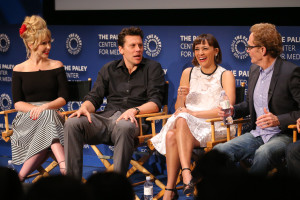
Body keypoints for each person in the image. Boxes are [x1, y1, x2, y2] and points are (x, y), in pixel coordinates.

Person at [64, 26, 165, 179]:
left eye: (140, 45)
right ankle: (73, 185)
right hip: (106, 119)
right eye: (133, 46)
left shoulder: (153, 68)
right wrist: (84, 107)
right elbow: (94, 97)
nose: (138, 49)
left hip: (134, 121)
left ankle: (117, 188)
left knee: (124, 125)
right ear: (121, 49)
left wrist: (134, 110)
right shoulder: (109, 69)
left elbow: (155, 103)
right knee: (72, 124)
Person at [150, 33, 236, 199]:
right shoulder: (188, 73)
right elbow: (179, 108)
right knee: (172, 133)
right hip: (187, 126)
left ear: (216, 51)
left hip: (214, 125)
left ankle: (177, 182)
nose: (200, 53)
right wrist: (182, 97)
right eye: (197, 49)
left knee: (179, 124)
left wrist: (193, 113)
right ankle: (178, 182)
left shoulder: (225, 75)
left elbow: (227, 110)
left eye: (205, 48)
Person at [214, 23, 300, 177]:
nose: (247, 50)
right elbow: (248, 104)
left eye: (250, 46)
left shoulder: (290, 72)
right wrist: (233, 111)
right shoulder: (254, 70)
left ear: (262, 50)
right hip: (258, 134)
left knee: (263, 153)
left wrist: (278, 120)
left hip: (283, 135)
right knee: (218, 152)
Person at [11, 15, 68, 181]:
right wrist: (37, 109)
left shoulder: (57, 65)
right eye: (44, 43)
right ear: (31, 44)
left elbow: (64, 98)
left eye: (49, 42)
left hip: (54, 116)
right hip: (27, 120)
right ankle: (65, 167)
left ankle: (19, 178)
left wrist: (44, 108)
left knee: (48, 116)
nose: (48, 46)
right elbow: (18, 103)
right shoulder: (19, 69)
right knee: (47, 118)